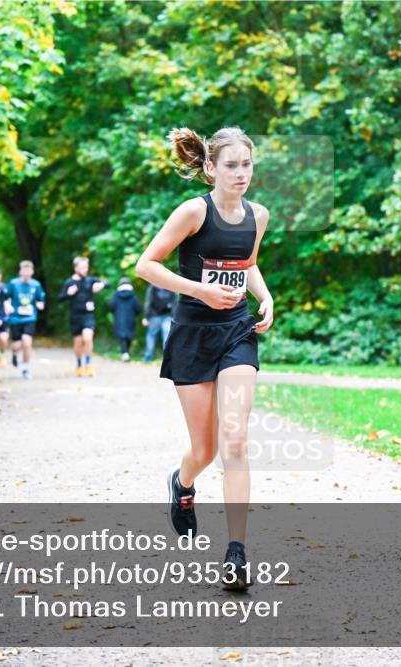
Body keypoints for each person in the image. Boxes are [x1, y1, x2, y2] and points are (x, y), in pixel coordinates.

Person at [135, 126, 274, 590]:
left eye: (247, 165)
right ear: (210, 168)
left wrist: (265, 296)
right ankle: (183, 482)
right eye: (231, 165)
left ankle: (236, 551)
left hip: (237, 331)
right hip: (193, 334)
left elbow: (247, 263)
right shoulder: (195, 211)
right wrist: (199, 290)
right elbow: (146, 265)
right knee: (206, 449)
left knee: (235, 438)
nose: (241, 174)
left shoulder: (259, 215)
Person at [58, 256, 107, 377]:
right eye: (82, 267)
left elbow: (107, 282)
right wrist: (68, 293)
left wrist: (101, 285)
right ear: (75, 268)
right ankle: (79, 364)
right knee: (78, 343)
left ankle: (88, 364)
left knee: (88, 338)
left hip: (88, 315)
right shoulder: (69, 282)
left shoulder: (90, 280)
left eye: (86, 267)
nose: (85, 269)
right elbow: (60, 298)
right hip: (75, 316)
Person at [5, 260, 46, 380]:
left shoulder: (36, 285)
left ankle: (26, 368)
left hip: (30, 318)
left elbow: (40, 299)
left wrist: (40, 304)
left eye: (28, 271)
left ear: (32, 272)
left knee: (27, 342)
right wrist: (8, 305)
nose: (26, 273)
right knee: (16, 345)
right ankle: (14, 353)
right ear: (20, 271)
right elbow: (6, 298)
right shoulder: (13, 284)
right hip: (15, 318)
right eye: (24, 271)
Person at [108, 277, 142, 361]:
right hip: (130, 318)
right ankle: (126, 352)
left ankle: (124, 352)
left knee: (121, 336)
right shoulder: (133, 295)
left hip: (119, 318)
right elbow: (138, 308)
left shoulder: (116, 295)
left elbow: (111, 306)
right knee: (128, 336)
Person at [142, 284, 177, 362]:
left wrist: (145, 316)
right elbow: (175, 303)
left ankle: (148, 357)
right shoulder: (170, 286)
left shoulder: (152, 288)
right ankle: (167, 359)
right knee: (166, 337)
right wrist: (174, 316)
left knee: (151, 335)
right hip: (168, 316)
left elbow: (148, 302)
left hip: (154, 316)